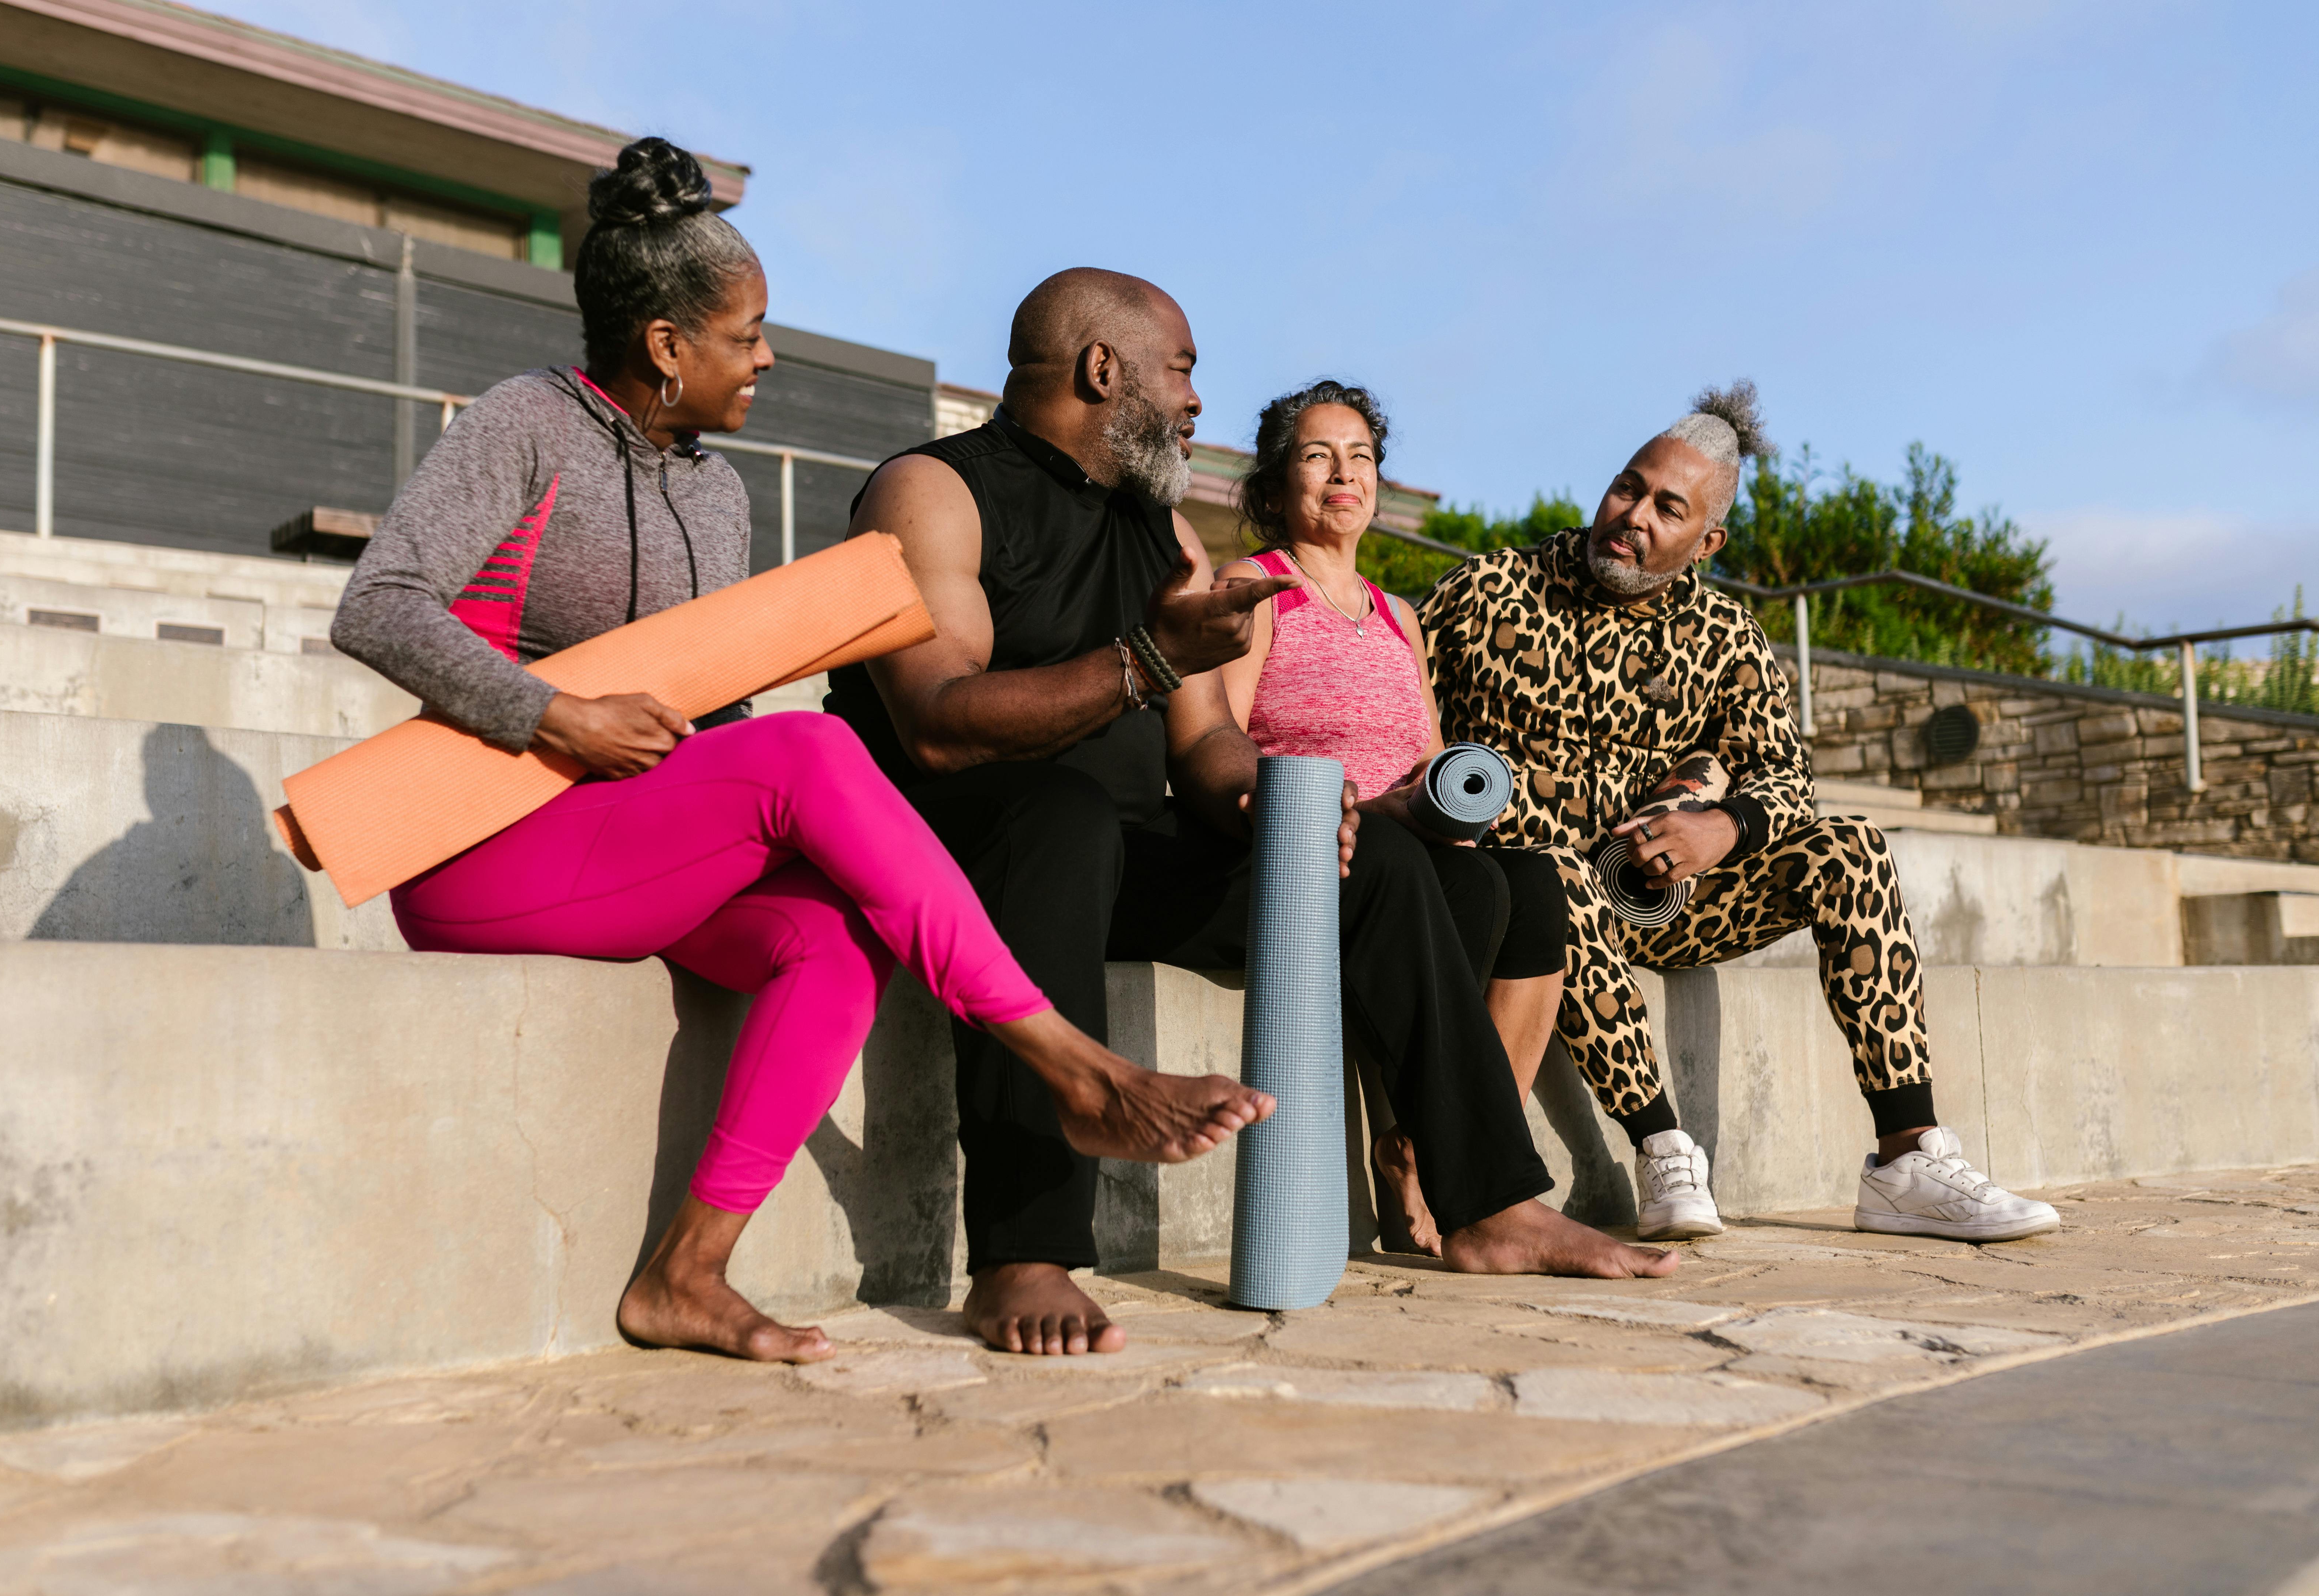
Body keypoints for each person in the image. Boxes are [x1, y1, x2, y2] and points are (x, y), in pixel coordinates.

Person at [329, 143, 1275, 1368]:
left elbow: (706, 721)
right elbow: (379, 605)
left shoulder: (718, 495)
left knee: (832, 937)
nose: (769, 358)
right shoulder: (524, 426)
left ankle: (687, 1274)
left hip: (633, 847)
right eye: (748, 334)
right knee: (810, 758)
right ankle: (1073, 1068)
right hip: (484, 846)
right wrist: (552, 718)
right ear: (669, 346)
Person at [829, 268, 1679, 1357]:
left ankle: (1489, 1204)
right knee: (1060, 815)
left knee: (1392, 862)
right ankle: (1024, 1252)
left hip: (1127, 855)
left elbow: (1203, 743)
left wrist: (1269, 800)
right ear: (1104, 370)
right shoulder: (933, 489)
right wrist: (1145, 660)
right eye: (1180, 371)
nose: (1194, 402)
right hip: (960, 839)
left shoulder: (1155, 527)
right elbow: (941, 723)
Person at [1419, 382, 2060, 1243]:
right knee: (1552, 871)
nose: (1633, 515)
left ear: (1707, 539)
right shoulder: (1491, 587)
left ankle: (1908, 1157)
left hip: (1671, 900)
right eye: (1627, 487)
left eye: (1667, 507)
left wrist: (1721, 828)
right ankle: (1661, 1146)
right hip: (1532, 898)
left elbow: (1785, 777)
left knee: (1852, 848)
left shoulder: (1728, 631)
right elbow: (1395, 707)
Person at [1210, 380, 1570, 1257]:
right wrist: (1371, 807)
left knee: (1525, 882)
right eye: (1317, 455)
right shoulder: (1253, 589)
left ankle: (1420, 1145)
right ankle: (1458, 1173)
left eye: (1361, 456)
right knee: (1459, 885)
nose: (1345, 473)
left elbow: (1427, 752)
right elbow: (1215, 742)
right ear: (1274, 483)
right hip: (1308, 844)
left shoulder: (1397, 616)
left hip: (1403, 838)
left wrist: (1453, 790)